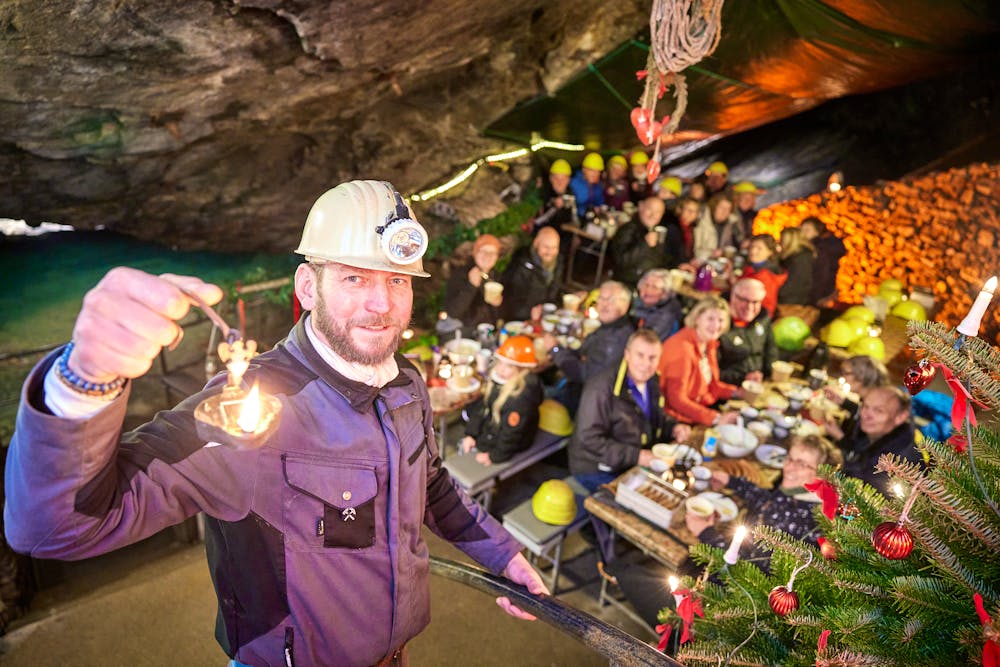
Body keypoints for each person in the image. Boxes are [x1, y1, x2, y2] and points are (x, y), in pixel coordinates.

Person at [3, 180, 547, 667]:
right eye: (355, 277)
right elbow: (50, 529)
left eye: (398, 281)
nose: (381, 303)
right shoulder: (250, 411)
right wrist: (84, 382)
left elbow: (430, 485)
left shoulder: (405, 382)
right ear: (308, 288)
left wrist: (505, 555)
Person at [606, 434, 840, 626]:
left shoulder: (803, 521)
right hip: (722, 574)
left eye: (802, 463)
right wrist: (731, 482)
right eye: (790, 458)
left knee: (628, 574)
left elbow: (747, 572)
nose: (790, 467)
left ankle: (616, 574)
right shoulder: (799, 495)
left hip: (726, 602)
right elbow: (768, 500)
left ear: (821, 474)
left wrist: (706, 532)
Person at [570, 329, 692, 492]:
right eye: (640, 355)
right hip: (597, 469)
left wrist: (674, 427)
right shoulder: (600, 389)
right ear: (627, 354)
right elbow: (589, 439)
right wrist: (637, 456)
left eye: (652, 358)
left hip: (633, 460)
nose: (645, 364)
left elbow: (652, 417)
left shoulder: (652, 379)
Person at [541, 280, 636, 414]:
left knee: (534, 394)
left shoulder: (615, 339)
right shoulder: (612, 327)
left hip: (585, 403)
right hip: (581, 391)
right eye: (602, 298)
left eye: (611, 300)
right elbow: (582, 353)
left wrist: (555, 350)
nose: (604, 304)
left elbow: (583, 374)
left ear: (625, 305)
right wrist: (561, 349)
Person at [460, 335, 543, 466]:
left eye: (509, 366)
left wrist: (494, 456)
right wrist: (471, 433)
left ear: (521, 369)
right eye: (500, 363)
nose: (500, 369)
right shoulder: (500, 380)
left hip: (513, 442)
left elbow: (512, 434)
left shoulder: (521, 398)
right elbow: (483, 407)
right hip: (495, 427)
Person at [659, 296, 741, 426]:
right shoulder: (682, 350)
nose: (716, 325)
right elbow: (676, 400)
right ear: (697, 319)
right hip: (675, 421)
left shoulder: (708, 343)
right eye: (710, 319)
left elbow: (709, 385)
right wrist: (716, 418)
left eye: (721, 320)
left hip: (698, 410)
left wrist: (736, 392)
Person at [836, 385, 920, 496]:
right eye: (865, 406)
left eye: (879, 411)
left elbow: (863, 495)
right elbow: (857, 457)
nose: (866, 415)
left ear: (900, 417)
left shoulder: (900, 463)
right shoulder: (879, 434)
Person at [717, 278, 778, 385]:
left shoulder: (763, 320)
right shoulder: (717, 323)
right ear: (733, 296)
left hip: (759, 384)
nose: (749, 307)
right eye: (744, 300)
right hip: (728, 389)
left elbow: (771, 351)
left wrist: (770, 373)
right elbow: (711, 371)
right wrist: (743, 378)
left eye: (755, 302)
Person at [500, 226, 564, 322]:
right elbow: (511, 298)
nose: (550, 252)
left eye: (554, 248)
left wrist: (559, 304)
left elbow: (555, 290)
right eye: (546, 247)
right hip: (519, 320)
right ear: (536, 243)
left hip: (544, 317)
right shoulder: (521, 263)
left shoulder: (557, 262)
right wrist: (530, 312)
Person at [609, 196, 676, 286]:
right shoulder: (628, 229)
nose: (653, 215)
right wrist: (645, 244)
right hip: (629, 284)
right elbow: (621, 261)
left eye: (658, 212)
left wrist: (676, 267)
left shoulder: (654, 231)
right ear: (641, 207)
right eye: (650, 209)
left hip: (649, 283)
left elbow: (658, 260)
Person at [445, 233, 504, 335]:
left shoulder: (495, 276)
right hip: (463, 334)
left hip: (489, 333)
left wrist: (499, 303)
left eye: (493, 252)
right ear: (474, 252)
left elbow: (503, 313)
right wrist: (471, 286)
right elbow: (453, 312)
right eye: (483, 251)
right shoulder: (460, 274)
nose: (488, 256)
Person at [822, 354, 890, 442]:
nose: (843, 377)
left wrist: (837, 435)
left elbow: (861, 450)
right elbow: (859, 410)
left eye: (846, 373)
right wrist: (843, 402)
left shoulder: (876, 409)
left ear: (861, 377)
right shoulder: (871, 398)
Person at [800, 217, 846, 306]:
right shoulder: (818, 248)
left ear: (817, 232)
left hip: (820, 294)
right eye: (801, 229)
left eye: (807, 230)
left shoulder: (819, 250)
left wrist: (813, 298)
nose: (802, 233)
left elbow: (821, 275)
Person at [740, 234, 787, 317]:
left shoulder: (767, 275)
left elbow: (767, 306)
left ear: (770, 252)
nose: (753, 251)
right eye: (751, 247)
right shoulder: (752, 268)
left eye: (759, 248)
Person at [631, 269, 683, 342]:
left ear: (664, 293)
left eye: (654, 287)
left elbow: (646, 342)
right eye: (646, 285)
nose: (648, 290)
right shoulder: (641, 301)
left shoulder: (664, 317)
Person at [531, 158, 576, 238]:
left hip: (563, 237)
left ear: (568, 180)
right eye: (556, 178)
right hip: (543, 235)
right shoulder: (543, 193)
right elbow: (537, 221)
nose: (560, 182)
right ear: (551, 178)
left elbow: (573, 219)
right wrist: (554, 206)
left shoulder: (570, 195)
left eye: (563, 179)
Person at [693, 192, 743, 259]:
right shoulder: (700, 221)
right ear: (714, 207)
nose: (724, 212)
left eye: (728, 209)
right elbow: (694, 250)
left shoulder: (730, 223)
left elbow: (730, 245)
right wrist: (711, 253)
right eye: (721, 207)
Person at [777, 226, 816, 306]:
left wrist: (777, 292)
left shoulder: (800, 259)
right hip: (788, 299)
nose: (780, 242)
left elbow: (794, 283)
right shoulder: (792, 257)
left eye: (782, 240)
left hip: (790, 301)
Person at [569, 152, 605, 217]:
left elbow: (599, 201)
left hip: (591, 217)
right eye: (592, 170)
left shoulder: (597, 185)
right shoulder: (573, 183)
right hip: (576, 219)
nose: (595, 174)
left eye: (598, 171)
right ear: (584, 169)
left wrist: (598, 207)